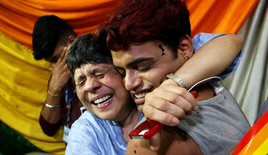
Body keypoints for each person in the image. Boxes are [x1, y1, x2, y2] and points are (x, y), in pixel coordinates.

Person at [96, 0, 251, 154]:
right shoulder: (202, 73)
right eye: (122, 72)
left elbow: (230, 41)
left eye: (144, 67)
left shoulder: (144, 144)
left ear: (184, 49)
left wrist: (171, 84)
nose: (129, 83)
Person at [65, 33, 142, 154]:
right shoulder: (84, 132)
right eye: (81, 81)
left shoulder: (157, 105)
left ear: (123, 72)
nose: (90, 86)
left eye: (99, 74)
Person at [32, 15, 83, 141]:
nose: (54, 67)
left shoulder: (99, 68)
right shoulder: (59, 77)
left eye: (56, 58)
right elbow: (48, 127)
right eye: (50, 62)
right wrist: (54, 90)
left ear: (71, 41)